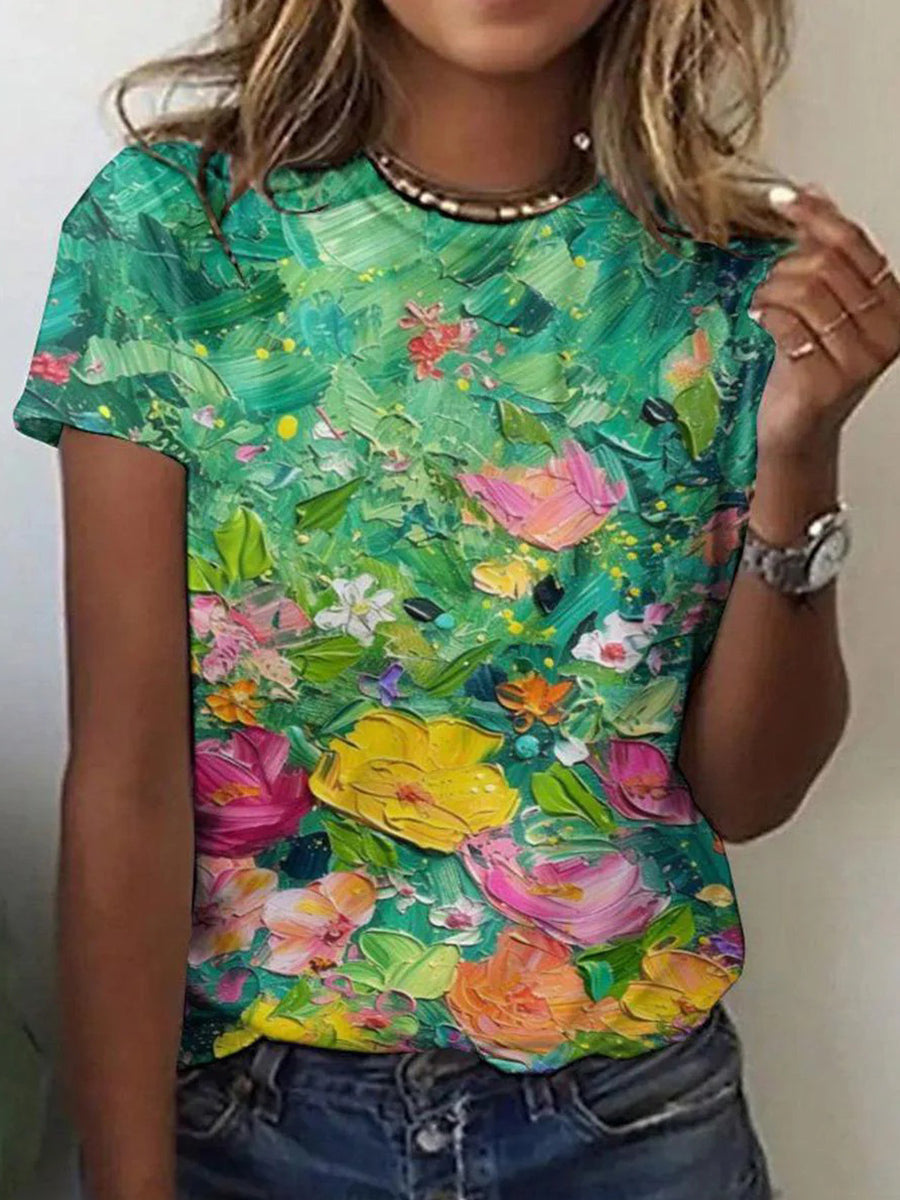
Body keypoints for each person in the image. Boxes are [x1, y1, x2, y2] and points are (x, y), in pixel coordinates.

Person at [11, 1, 900, 1198]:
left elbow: (749, 791)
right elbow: (126, 782)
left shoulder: (735, 278)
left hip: (634, 1128)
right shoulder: (179, 232)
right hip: (253, 1125)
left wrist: (802, 449)